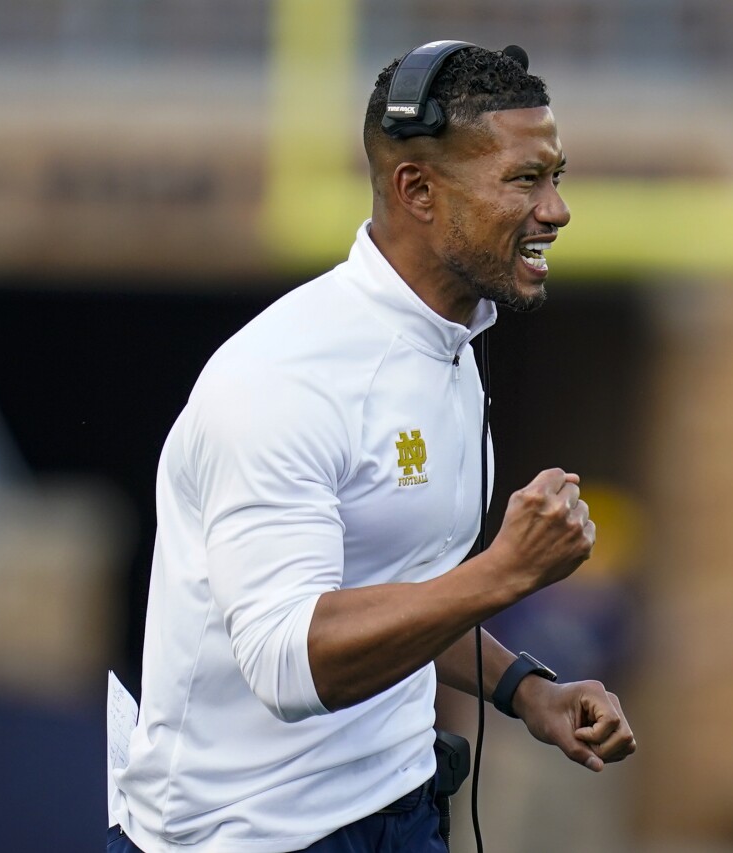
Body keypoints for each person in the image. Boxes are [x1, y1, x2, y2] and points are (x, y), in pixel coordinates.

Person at [108, 42, 636, 853]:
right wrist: (504, 572)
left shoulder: (454, 343)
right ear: (416, 189)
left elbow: (401, 592)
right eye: (525, 180)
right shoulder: (283, 377)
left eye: (556, 174)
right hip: (243, 835)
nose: (557, 209)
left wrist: (524, 689)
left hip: (398, 805)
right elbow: (290, 667)